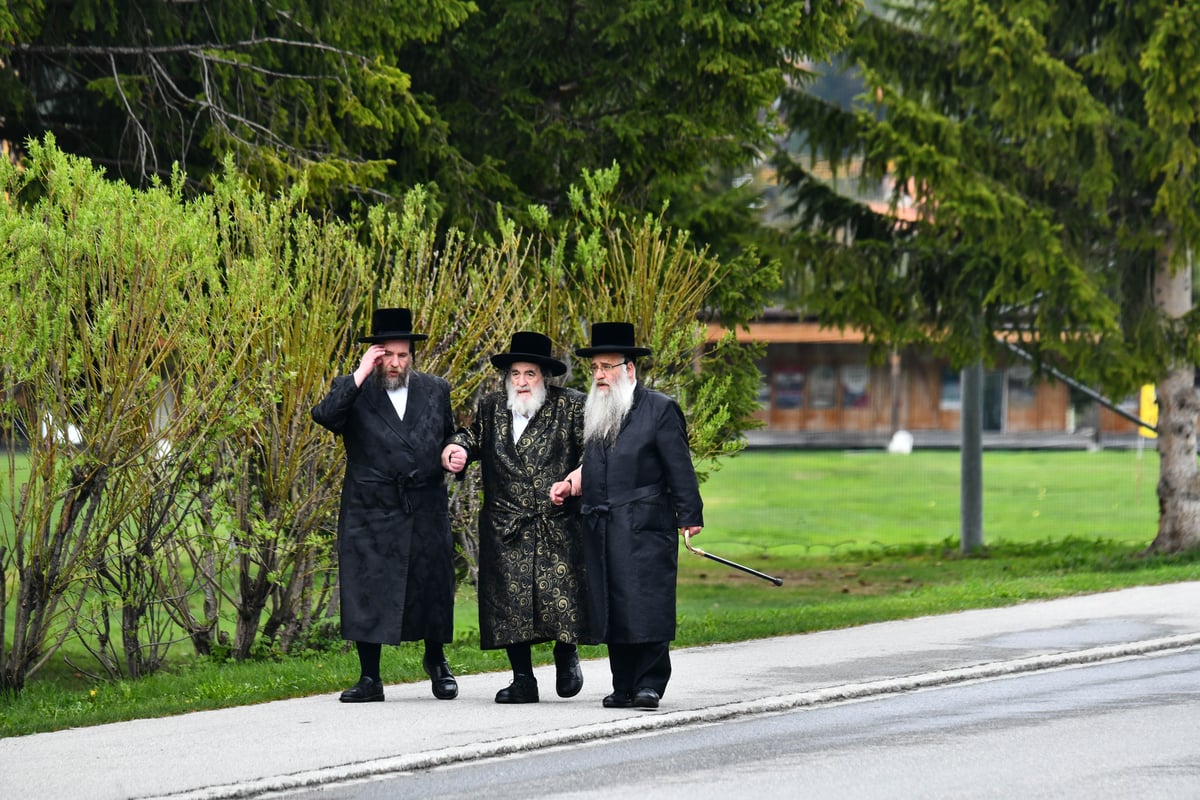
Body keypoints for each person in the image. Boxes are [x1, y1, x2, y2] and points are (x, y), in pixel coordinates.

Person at [550, 321, 703, 710]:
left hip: (646, 524)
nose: (599, 375)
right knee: (614, 604)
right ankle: (623, 685)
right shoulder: (599, 409)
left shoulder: (660, 409)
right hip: (603, 525)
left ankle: (650, 682)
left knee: (646, 602)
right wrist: (571, 487)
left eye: (607, 367)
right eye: (595, 368)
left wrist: (690, 514)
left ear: (629, 369)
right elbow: (597, 466)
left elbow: (679, 468)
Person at [311, 307, 459, 703]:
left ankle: (437, 661)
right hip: (369, 506)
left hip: (424, 503)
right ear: (374, 354)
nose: (395, 363)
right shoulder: (354, 389)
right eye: (387, 355)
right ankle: (369, 677)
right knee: (369, 587)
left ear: (412, 356)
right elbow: (325, 417)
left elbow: (451, 433)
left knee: (431, 584)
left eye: (403, 355)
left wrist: (454, 451)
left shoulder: (435, 389)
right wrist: (360, 373)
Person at [442, 331, 588, 704]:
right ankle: (523, 679)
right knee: (509, 603)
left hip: (556, 521)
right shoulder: (492, 407)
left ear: (545, 377)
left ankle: (566, 654)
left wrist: (575, 480)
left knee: (561, 595)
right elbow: (470, 437)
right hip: (505, 523)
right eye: (515, 374)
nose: (521, 382)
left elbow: (595, 451)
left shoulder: (571, 407)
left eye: (530, 374)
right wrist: (456, 449)